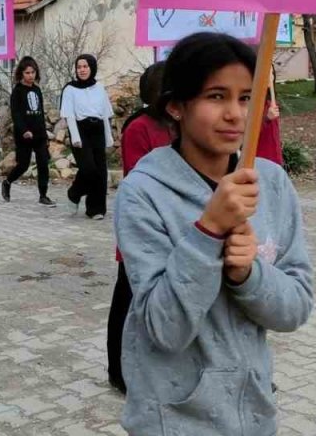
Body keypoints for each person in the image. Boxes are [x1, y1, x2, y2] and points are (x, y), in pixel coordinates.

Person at [114, 33, 314, 434]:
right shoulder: (143, 193)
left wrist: (249, 276)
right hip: (173, 417)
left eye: (245, 98)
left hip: (253, 412)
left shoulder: (270, 184)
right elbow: (163, 329)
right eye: (216, 96)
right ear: (176, 106)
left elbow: (296, 306)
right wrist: (209, 232)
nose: (236, 114)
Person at [108, 61, 174, 394]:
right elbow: (140, 179)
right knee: (127, 298)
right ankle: (118, 370)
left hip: (179, 230)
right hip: (143, 228)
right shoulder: (139, 128)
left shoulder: (180, 125)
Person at [60, 55, 114, 220]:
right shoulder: (70, 89)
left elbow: (105, 115)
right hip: (81, 129)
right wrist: (76, 137)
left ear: (92, 68)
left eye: (85, 66)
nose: (82, 70)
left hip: (97, 129)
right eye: (79, 67)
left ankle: (95, 209)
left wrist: (108, 137)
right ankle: (74, 193)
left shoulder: (99, 88)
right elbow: (69, 115)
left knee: (100, 171)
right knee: (88, 168)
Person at [2, 57, 54, 207]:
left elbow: (40, 112)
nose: (30, 75)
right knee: (23, 165)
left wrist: (45, 134)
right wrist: (24, 130)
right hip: (24, 135)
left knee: (43, 163)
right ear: (21, 73)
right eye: (27, 72)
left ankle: (43, 195)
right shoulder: (17, 92)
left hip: (39, 134)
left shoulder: (37, 90)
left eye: (33, 72)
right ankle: (7, 181)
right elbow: (16, 114)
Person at [257, 89, 283, 166]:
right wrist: (267, 118)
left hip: (275, 159)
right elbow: (248, 133)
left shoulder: (271, 105)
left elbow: (274, 134)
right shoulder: (253, 106)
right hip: (259, 161)